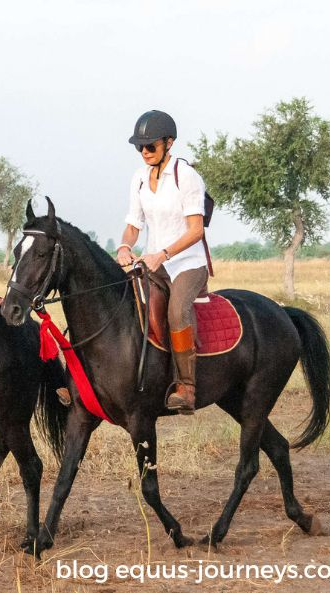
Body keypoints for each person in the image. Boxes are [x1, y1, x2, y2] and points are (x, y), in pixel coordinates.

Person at [116, 110, 208, 414]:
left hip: (186, 264)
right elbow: (133, 223)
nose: (144, 152)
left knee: (176, 310)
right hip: (152, 263)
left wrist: (163, 254)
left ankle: (187, 388)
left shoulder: (186, 176)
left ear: (169, 143)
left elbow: (196, 230)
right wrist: (124, 246)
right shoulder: (139, 178)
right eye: (139, 147)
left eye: (150, 146)